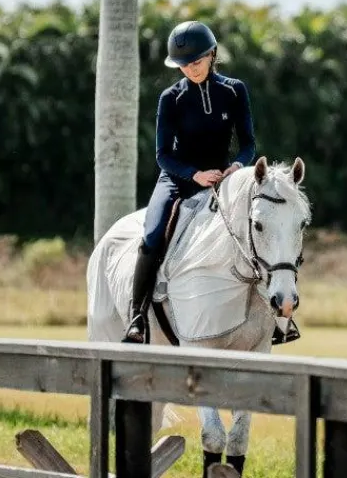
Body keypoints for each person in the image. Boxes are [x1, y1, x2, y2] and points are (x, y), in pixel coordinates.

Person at [122, 20, 299, 346]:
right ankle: (137, 315)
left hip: (223, 178)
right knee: (151, 232)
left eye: (197, 61)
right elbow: (162, 154)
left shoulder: (234, 90)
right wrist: (193, 174)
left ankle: (278, 318)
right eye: (184, 65)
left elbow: (248, 144)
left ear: (212, 54)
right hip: (178, 179)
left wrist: (236, 166)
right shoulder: (170, 98)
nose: (191, 69)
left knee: (258, 231)